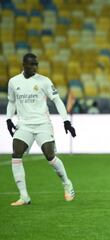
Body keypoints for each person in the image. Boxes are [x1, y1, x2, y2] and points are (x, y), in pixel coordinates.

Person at [6, 53, 77, 206]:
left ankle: (67, 183)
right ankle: (24, 196)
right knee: (16, 155)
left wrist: (66, 122)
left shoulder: (44, 81)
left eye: (36, 64)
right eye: (31, 64)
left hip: (42, 124)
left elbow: (57, 101)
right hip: (24, 125)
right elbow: (11, 102)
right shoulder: (13, 82)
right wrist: (8, 119)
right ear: (24, 65)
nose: (34, 67)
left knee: (50, 156)